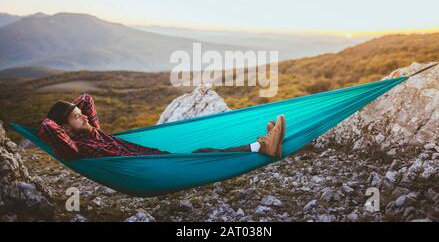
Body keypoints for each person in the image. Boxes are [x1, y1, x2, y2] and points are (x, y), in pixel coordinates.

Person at [37, 93, 286, 162]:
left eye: (82, 115)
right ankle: (262, 146)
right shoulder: (80, 146)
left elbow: (87, 98)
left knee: (204, 148)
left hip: (153, 156)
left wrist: (74, 114)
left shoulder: (94, 130)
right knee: (204, 154)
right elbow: (48, 128)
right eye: (77, 118)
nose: (84, 117)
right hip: (147, 166)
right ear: (66, 129)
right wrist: (60, 121)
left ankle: (263, 144)